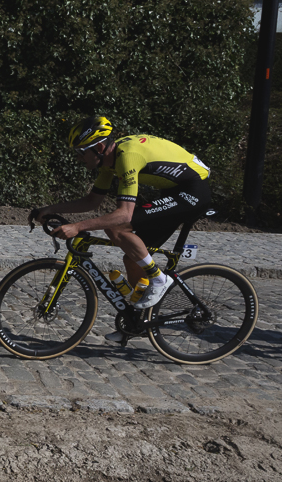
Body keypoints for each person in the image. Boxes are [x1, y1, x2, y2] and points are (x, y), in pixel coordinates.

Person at [29, 116, 212, 328]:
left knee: (116, 226)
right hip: (174, 191)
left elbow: (124, 215)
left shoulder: (127, 157)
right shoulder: (109, 161)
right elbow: (92, 201)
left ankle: (159, 279)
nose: (78, 158)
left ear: (98, 147)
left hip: (193, 191)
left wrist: (78, 226)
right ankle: (139, 321)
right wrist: (50, 209)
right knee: (133, 259)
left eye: (81, 152)